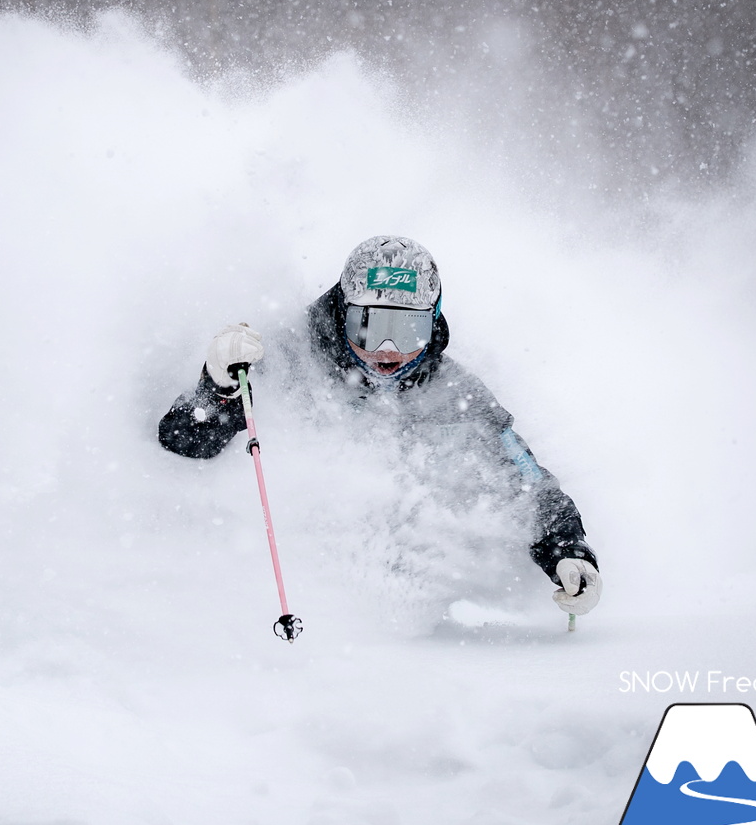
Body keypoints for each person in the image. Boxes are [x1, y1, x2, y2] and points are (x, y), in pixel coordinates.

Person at [157, 235, 601, 617]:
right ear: (342, 312)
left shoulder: (454, 393)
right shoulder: (293, 362)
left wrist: (566, 550)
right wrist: (218, 387)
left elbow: (523, 480)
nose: (387, 350)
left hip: (388, 616)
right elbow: (185, 440)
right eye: (369, 326)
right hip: (274, 595)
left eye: (408, 330)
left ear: (433, 322)